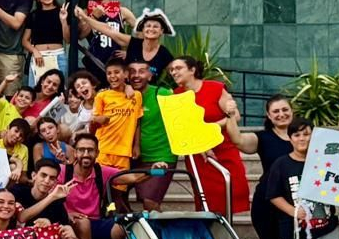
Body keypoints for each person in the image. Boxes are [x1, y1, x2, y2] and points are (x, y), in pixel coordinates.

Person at [165, 56, 250, 219]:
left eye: (178, 68)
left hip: (223, 149)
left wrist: (208, 129)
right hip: (199, 154)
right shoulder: (176, 95)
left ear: (192, 70)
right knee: (207, 201)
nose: (174, 72)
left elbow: (235, 116)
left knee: (231, 192)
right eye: (171, 70)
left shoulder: (215, 88)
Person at [226, 93, 296, 239]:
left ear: (292, 112)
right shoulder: (262, 138)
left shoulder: (302, 137)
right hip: (267, 204)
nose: (281, 114)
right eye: (276, 111)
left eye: (285, 110)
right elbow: (238, 139)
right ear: (268, 115)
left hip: (297, 203)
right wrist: (231, 114)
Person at [124, 60, 176, 210]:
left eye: (141, 71)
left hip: (160, 156)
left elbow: (183, 118)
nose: (136, 75)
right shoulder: (122, 96)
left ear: (150, 75)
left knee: (150, 202)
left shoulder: (163, 94)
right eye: (132, 71)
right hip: (130, 158)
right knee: (116, 197)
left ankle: (156, 233)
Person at [76, 6, 175, 80]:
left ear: (162, 31)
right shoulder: (133, 43)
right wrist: (85, 18)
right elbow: (109, 30)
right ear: (143, 29)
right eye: (148, 26)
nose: (151, 29)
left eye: (155, 26)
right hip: (128, 93)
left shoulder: (163, 53)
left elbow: (176, 72)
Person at [88, 59, 141, 178]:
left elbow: (137, 121)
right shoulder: (102, 96)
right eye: (109, 73)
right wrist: (98, 119)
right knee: (101, 186)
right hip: (103, 149)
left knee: (120, 189)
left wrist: (136, 145)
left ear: (126, 74)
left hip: (124, 152)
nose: (113, 76)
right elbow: (94, 121)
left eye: (116, 72)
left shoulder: (136, 95)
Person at [74, 0, 129, 78]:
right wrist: (93, 17)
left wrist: (130, 52)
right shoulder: (85, 13)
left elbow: (140, 30)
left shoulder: (122, 11)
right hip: (95, 64)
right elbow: (80, 36)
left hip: (117, 65)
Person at [21, 0, 70, 84]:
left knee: (57, 91)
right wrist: (35, 51)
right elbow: (25, 40)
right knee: (36, 91)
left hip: (58, 56)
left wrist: (63, 21)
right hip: (39, 57)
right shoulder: (33, 15)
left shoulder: (62, 11)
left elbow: (67, 39)